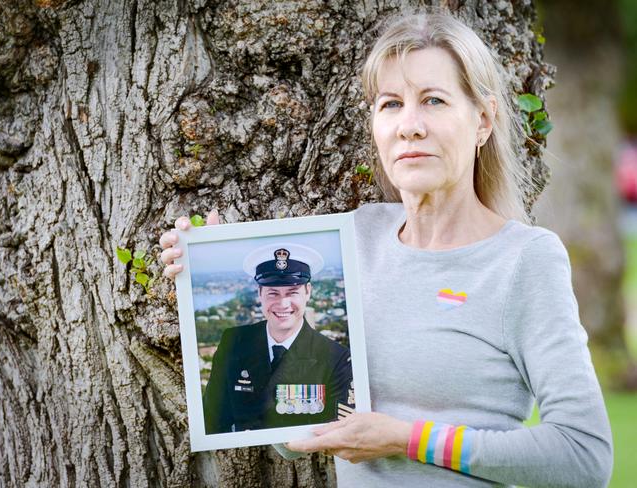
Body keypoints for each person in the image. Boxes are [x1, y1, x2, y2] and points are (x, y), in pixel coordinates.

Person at [160, 10, 613, 488]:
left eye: (434, 101)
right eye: (391, 104)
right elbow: (294, 429)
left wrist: (405, 439)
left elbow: (583, 456)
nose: (409, 126)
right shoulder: (356, 237)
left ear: (483, 120)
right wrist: (206, 266)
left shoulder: (524, 259)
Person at [200, 242, 353, 434]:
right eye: (273, 293)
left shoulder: (335, 358)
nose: (283, 304)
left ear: (308, 292)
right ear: (260, 293)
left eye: (292, 292)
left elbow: (338, 432)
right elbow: (213, 418)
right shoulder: (234, 341)